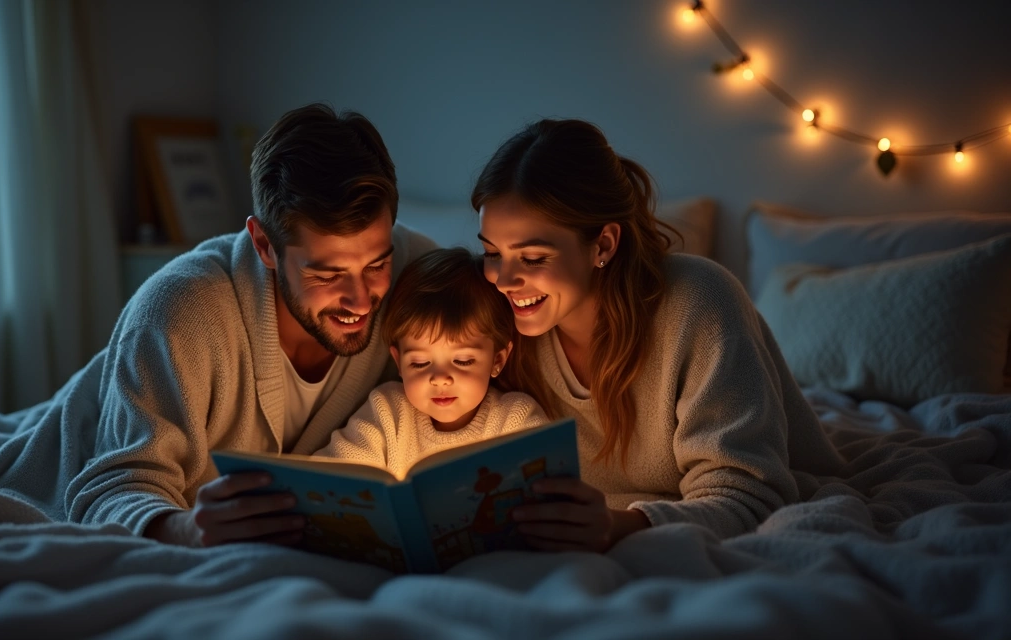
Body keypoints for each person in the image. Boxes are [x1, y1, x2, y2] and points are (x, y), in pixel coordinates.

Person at [66, 104, 437, 547]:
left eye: (377, 263)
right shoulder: (180, 312)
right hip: (74, 441)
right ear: (264, 245)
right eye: (328, 274)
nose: (361, 300)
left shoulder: (421, 274)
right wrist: (187, 527)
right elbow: (114, 484)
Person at [473, 119, 843, 553]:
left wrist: (618, 527)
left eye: (533, 257)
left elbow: (751, 495)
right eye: (492, 253)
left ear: (603, 245)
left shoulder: (699, 302)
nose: (504, 279)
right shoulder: (498, 326)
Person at [314, 247, 547, 477]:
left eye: (463, 361)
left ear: (497, 359)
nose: (440, 379)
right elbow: (329, 476)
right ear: (399, 362)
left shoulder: (515, 420)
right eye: (420, 363)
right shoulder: (388, 412)